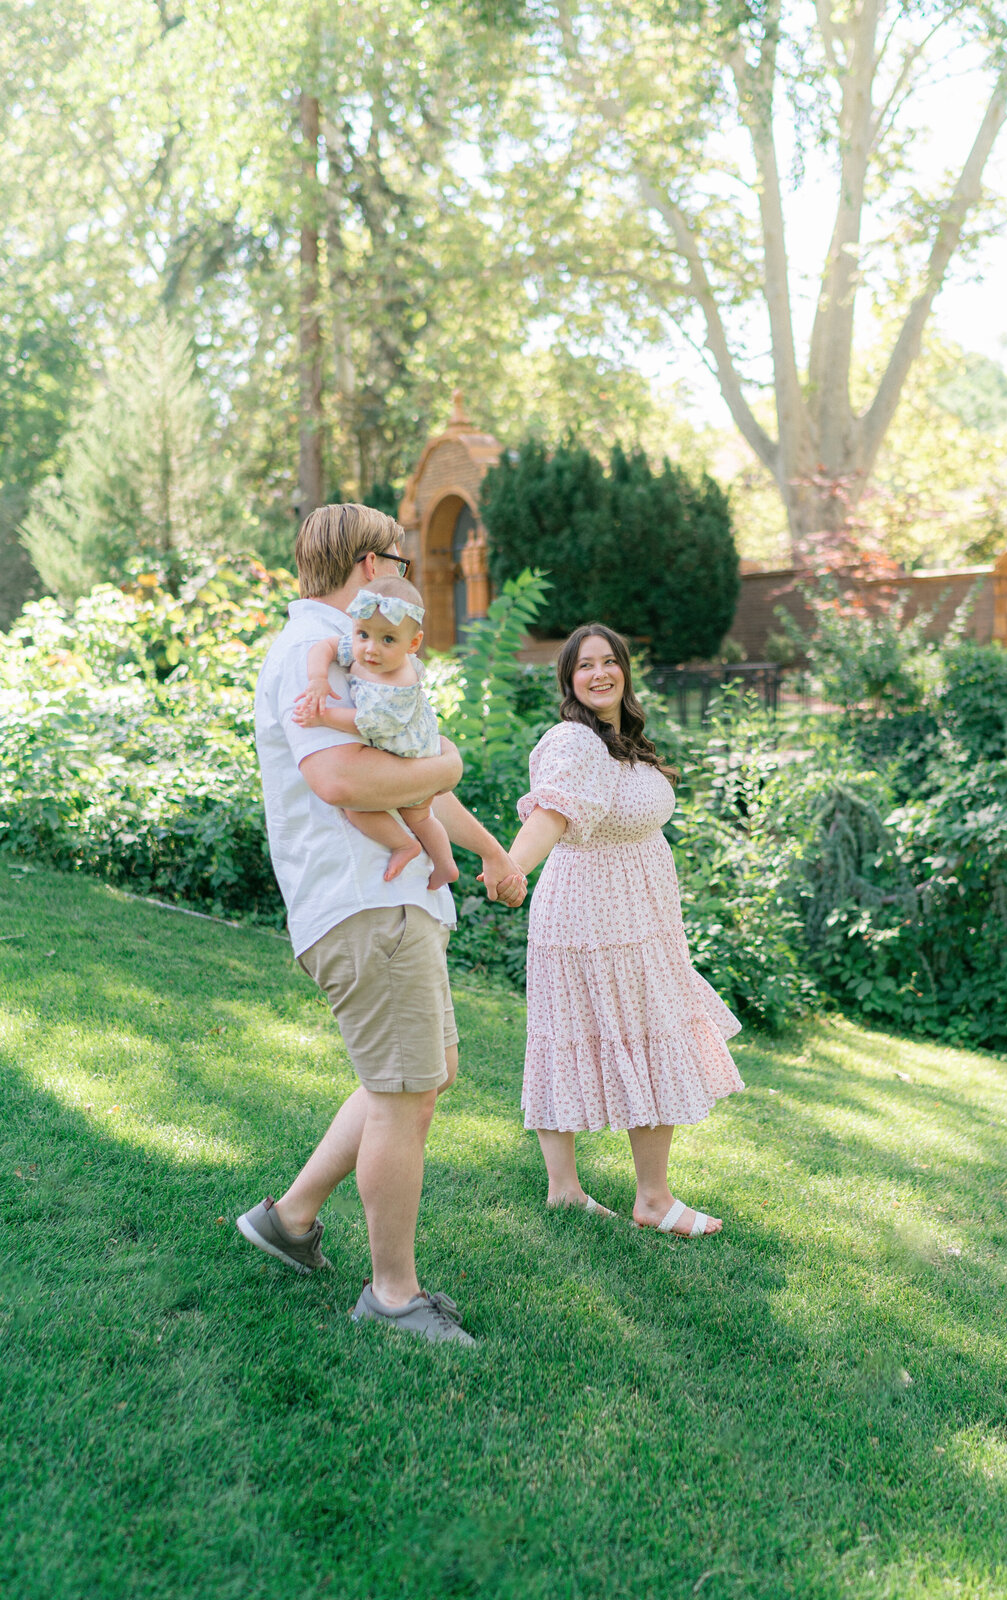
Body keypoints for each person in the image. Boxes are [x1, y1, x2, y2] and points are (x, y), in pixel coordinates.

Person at [237, 502, 526, 1347]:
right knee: (404, 1096)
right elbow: (341, 780)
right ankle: (393, 1297)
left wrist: (491, 851)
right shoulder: (317, 651)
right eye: (397, 558)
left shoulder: (363, 648)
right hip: (364, 901)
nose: (401, 569)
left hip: (390, 897)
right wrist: (452, 762)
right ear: (371, 563)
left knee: (420, 1076)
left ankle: (289, 1220)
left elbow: (411, 772)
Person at [505, 623, 744, 1237]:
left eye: (610, 662)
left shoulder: (622, 741)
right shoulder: (574, 741)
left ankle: (628, 1196)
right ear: (569, 678)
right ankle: (634, 1198)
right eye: (585, 665)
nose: (600, 673)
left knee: (643, 1032)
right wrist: (512, 868)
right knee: (591, 1034)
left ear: (624, 672)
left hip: (642, 914)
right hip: (592, 916)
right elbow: (551, 812)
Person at [292, 573, 457, 890]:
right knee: (421, 818)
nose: (371, 649)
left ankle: (405, 846)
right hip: (410, 748)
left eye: (388, 640)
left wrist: (323, 717)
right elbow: (324, 646)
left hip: (409, 754)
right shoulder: (361, 649)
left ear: (413, 644)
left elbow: (366, 723)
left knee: (361, 808)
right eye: (363, 634)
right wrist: (317, 679)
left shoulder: (396, 682)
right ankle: (445, 864)